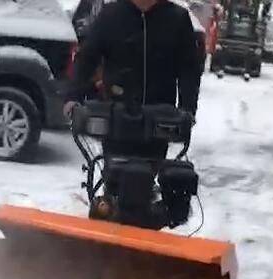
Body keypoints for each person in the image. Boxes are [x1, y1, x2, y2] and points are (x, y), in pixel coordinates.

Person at [64, 0, 202, 161]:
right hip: (116, 116)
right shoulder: (111, 15)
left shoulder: (177, 18)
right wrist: (73, 96)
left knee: (152, 168)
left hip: (159, 119)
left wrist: (188, 108)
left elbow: (189, 68)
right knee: (115, 170)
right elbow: (87, 58)